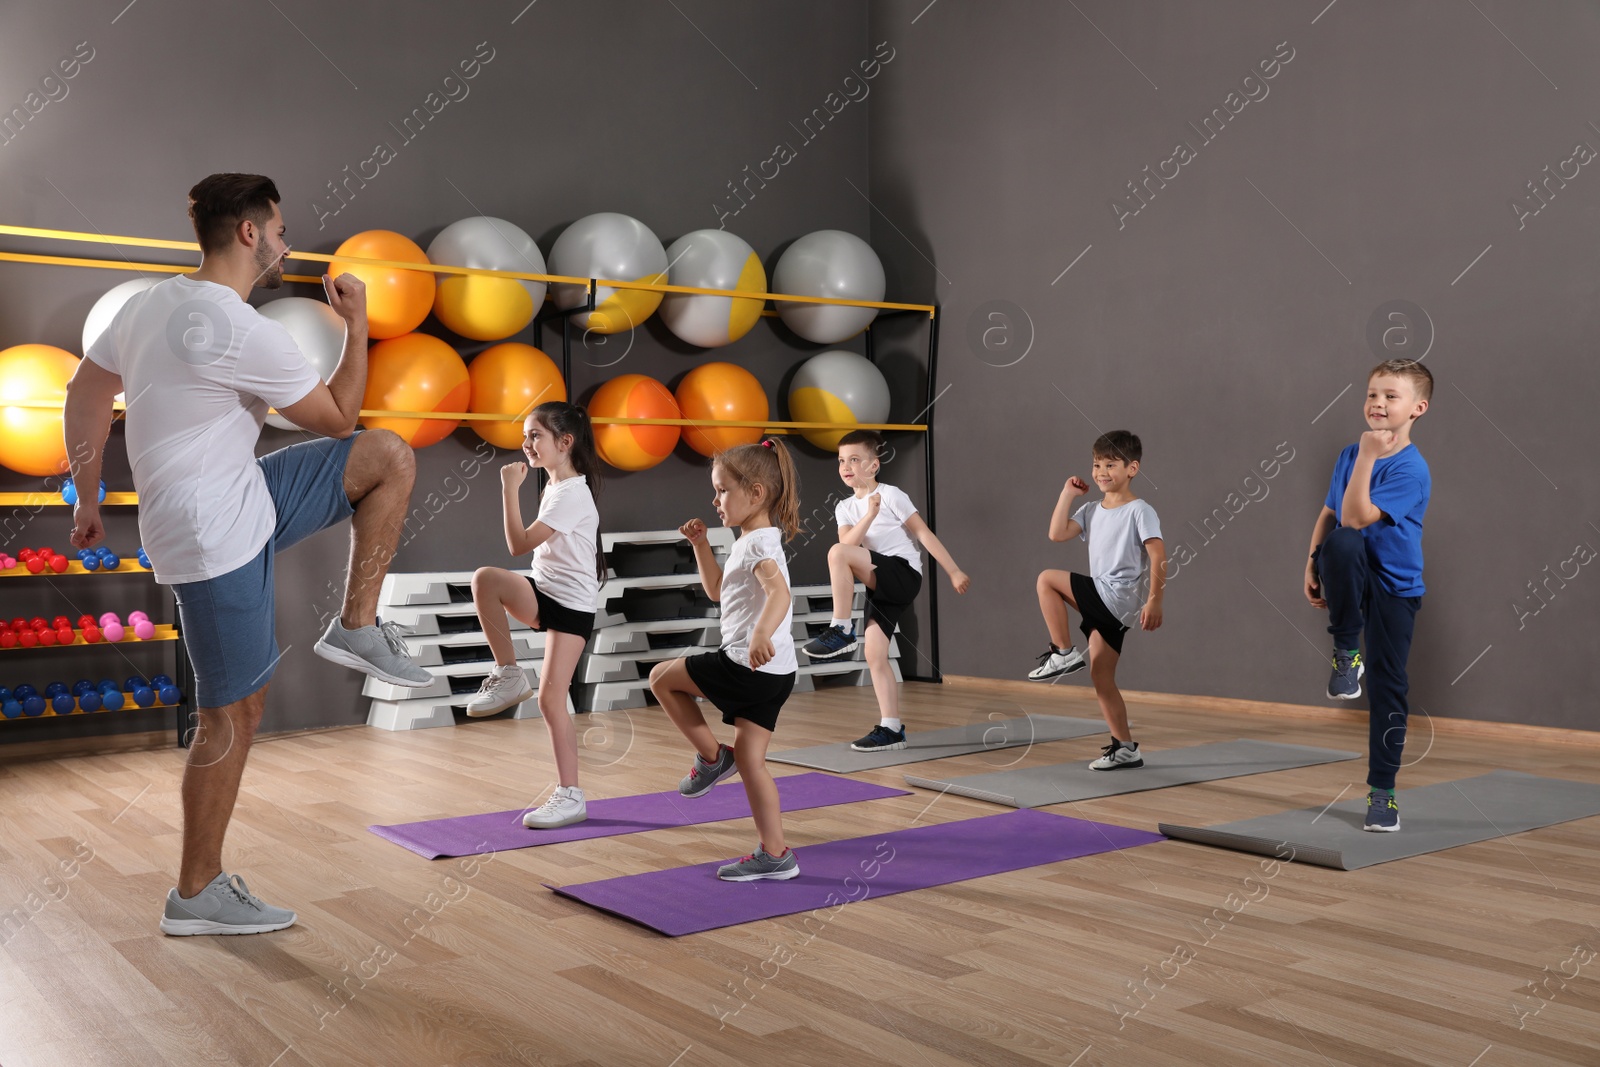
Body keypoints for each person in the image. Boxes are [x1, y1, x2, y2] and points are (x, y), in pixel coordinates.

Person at [63, 173, 430, 936]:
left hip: (240, 496)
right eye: (282, 229)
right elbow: (336, 418)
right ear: (249, 234)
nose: (288, 243)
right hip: (213, 531)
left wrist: (91, 495)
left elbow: (86, 390)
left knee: (387, 457)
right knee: (232, 714)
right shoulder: (236, 326)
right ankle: (196, 891)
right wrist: (356, 326)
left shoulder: (146, 303)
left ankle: (358, 624)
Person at [648, 439, 801, 881]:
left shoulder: (757, 546)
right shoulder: (753, 540)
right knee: (753, 763)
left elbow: (780, 595)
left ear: (755, 494)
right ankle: (776, 854)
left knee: (661, 678)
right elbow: (717, 592)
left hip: (745, 666)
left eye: (722, 491)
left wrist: (759, 633)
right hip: (777, 674)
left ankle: (713, 758)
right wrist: (700, 545)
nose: (715, 501)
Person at [1304, 359, 1431, 832]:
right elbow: (1332, 514)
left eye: (1391, 396)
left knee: (1388, 686)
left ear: (1417, 408)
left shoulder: (1412, 470)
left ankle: (1384, 794)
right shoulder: (1347, 455)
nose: (1378, 403)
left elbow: (1357, 516)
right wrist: (1309, 560)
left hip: (1394, 586)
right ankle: (1345, 651)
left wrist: (1366, 455)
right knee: (1337, 543)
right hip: (1349, 569)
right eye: (1372, 394)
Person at [466, 402, 601, 830]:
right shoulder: (557, 487)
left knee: (548, 699)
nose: (526, 444)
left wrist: (509, 489)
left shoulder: (572, 492)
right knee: (486, 580)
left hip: (571, 607)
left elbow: (518, 544)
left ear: (565, 442)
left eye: (535, 436)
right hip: (546, 593)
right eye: (525, 435)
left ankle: (570, 796)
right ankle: (509, 673)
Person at [798, 429, 970, 751]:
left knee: (837, 553)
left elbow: (923, 534)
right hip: (879, 580)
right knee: (875, 654)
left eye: (855, 459)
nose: (846, 466)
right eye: (841, 461)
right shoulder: (845, 507)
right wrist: (870, 514)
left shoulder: (892, 495)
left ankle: (841, 627)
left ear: (874, 465)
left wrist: (953, 570)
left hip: (903, 573)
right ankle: (892, 729)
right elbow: (849, 544)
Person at [1029, 430, 1165, 770]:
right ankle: (1126, 748)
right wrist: (1067, 494)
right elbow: (1056, 534)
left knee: (1047, 579)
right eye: (1096, 464)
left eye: (1111, 465)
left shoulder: (1140, 510)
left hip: (1116, 596)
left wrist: (1155, 601)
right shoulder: (1091, 509)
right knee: (1101, 678)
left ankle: (1063, 652)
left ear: (1132, 468)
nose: (1102, 472)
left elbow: (1158, 555)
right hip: (1111, 606)